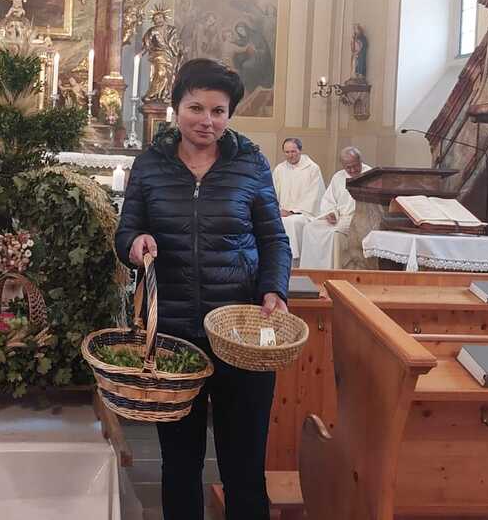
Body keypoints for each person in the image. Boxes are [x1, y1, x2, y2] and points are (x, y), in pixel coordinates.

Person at [115, 58, 291, 520]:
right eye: (196, 108)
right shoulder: (150, 166)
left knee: (244, 466)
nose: (207, 120)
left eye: (218, 111)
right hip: (174, 338)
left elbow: (274, 239)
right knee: (179, 464)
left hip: (241, 335)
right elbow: (126, 231)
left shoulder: (251, 163)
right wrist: (134, 244)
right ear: (176, 109)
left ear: (229, 114)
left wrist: (274, 289)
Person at [299, 146, 371, 269]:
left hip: (359, 219)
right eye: (348, 167)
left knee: (334, 234)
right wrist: (331, 213)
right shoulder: (338, 177)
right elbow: (329, 200)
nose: (352, 170)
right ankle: (313, 270)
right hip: (339, 217)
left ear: (360, 161)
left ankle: (334, 269)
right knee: (310, 228)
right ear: (343, 165)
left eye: (355, 166)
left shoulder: (370, 175)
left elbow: (373, 206)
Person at [272, 137, 325, 261]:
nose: (290, 155)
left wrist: (292, 212)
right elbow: (272, 193)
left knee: (292, 222)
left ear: (300, 150)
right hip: (282, 212)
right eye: (287, 152)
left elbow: (314, 196)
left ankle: (294, 260)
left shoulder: (312, 168)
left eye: (293, 151)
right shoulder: (280, 169)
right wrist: (278, 210)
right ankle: (277, 258)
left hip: (305, 213)